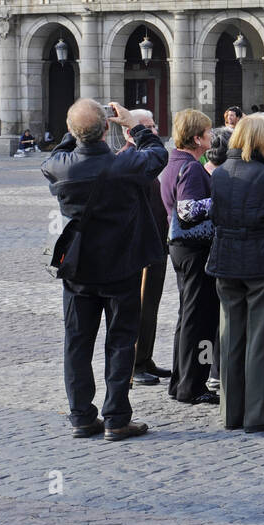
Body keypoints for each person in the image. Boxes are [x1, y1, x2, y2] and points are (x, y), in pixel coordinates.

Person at [43, 100, 167, 441]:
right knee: (121, 342)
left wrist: (74, 133)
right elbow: (158, 154)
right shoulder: (125, 164)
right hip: (121, 266)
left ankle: (82, 416)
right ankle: (116, 418)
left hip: (79, 268)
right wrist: (135, 126)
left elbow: (55, 154)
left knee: (77, 343)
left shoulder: (60, 166)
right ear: (107, 128)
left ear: (71, 132)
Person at [207, 114, 264, 433]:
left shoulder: (220, 173)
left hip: (227, 261)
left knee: (230, 336)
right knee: (260, 339)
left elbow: (215, 215)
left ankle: (231, 412)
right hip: (261, 262)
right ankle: (257, 414)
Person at [159, 109, 220, 406]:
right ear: (197, 138)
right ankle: (193, 385)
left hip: (180, 248)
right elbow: (188, 210)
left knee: (188, 316)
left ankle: (180, 382)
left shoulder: (175, 162)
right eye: (207, 133)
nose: (211, 137)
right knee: (200, 319)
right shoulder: (194, 168)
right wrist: (221, 197)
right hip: (194, 248)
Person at [122, 109, 170, 388]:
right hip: (140, 247)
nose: (153, 131)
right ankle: (134, 364)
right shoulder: (129, 159)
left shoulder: (147, 157)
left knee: (150, 305)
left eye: (154, 125)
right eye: (146, 126)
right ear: (131, 129)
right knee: (139, 307)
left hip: (156, 244)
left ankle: (146, 357)